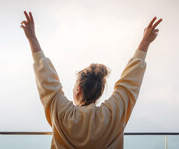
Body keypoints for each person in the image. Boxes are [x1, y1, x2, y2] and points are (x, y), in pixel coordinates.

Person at [20, 11, 162, 149]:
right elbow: (129, 83)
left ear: (78, 89)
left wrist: (32, 39)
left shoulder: (62, 113)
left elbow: (46, 80)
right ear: (99, 92)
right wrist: (145, 42)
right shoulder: (112, 115)